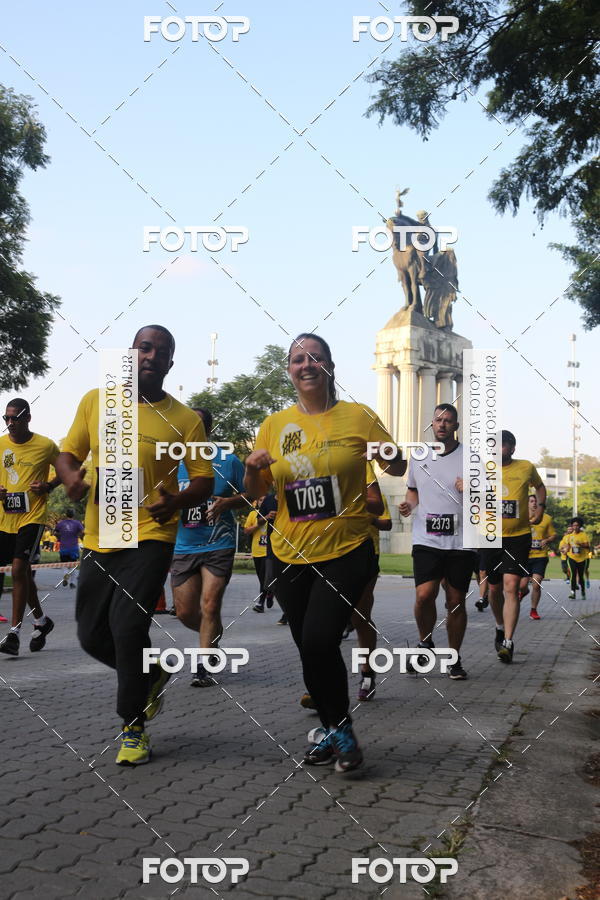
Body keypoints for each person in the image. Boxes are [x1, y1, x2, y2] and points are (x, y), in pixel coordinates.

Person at [244, 332, 406, 773]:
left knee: (319, 640)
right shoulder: (274, 425)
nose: (307, 364)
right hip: (289, 552)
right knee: (309, 649)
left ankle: (336, 729)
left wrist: (386, 451)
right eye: (298, 359)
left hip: (348, 548)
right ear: (289, 370)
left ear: (330, 366)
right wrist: (252, 469)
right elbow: (259, 493)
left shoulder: (358, 416)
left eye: (315, 357)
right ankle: (336, 729)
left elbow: (398, 465)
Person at [56, 325, 214, 766]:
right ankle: (152, 672)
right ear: (131, 353)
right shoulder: (96, 400)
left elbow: (203, 480)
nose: (151, 356)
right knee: (91, 635)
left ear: (170, 364)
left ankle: (133, 727)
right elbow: (68, 453)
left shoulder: (184, 420)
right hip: (101, 533)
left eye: (161, 352)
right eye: (144, 347)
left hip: (152, 533)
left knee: (127, 627)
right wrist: (69, 475)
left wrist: (178, 501)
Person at [399, 403, 476, 681]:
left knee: (455, 601)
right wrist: (408, 506)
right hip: (426, 537)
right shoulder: (419, 455)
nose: (442, 424)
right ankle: (426, 641)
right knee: (424, 595)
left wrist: (472, 489)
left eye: (448, 421)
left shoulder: (471, 457)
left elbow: (489, 497)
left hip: (461, 541)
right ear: (432, 424)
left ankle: (454, 659)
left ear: (456, 426)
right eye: (438, 420)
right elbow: (412, 491)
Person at [171, 407, 246, 687]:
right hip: (183, 545)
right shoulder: (169, 458)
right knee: (185, 612)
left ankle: (203, 665)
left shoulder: (228, 460)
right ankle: (211, 634)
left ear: (208, 430)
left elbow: (253, 494)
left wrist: (227, 502)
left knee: (210, 605)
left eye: (197, 425)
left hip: (219, 542)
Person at [0, 399, 60, 656]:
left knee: (17, 569)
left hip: (32, 517)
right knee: (20, 573)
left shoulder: (45, 445)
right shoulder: (1, 445)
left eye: (15, 418)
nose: (10, 423)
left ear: (28, 418)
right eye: (6, 418)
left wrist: (49, 486)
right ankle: (42, 621)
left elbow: (68, 470)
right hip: (5, 518)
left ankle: (14, 633)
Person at [479, 430, 546, 664]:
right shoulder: (482, 468)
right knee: (495, 590)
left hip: (518, 536)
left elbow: (540, 487)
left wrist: (540, 509)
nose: (496, 449)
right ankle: (499, 626)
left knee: (511, 586)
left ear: (512, 448)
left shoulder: (526, 467)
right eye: (493, 446)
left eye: (501, 445)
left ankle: (508, 641)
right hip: (490, 537)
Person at [352, 464, 392, 701]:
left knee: (360, 615)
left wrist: (366, 515)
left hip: (364, 550)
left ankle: (367, 673)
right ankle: (319, 684)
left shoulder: (366, 481)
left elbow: (385, 521)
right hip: (326, 550)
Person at [520, 495, 556, 620]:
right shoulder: (521, 518)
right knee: (522, 585)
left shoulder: (546, 518)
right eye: (531, 501)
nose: (534, 503)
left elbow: (553, 535)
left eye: (536, 501)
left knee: (536, 583)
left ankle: (533, 610)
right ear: (527, 503)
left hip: (540, 556)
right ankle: (523, 592)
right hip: (524, 556)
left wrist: (547, 540)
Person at [244, 498, 274, 613]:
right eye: (260, 500)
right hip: (257, 551)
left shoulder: (274, 514)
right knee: (262, 578)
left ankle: (261, 602)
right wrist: (261, 521)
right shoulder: (253, 514)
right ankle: (270, 593)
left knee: (265, 579)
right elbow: (246, 531)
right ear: (257, 502)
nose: (263, 502)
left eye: (265, 500)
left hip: (269, 552)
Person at [54, 509, 84, 588]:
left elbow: (55, 532)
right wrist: (77, 535)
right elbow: (82, 532)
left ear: (66, 514)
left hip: (63, 548)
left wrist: (60, 536)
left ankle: (65, 575)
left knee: (64, 564)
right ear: (73, 515)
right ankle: (72, 583)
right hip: (73, 548)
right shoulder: (77, 523)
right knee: (73, 565)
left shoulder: (61, 523)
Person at [566, 516, 590, 600]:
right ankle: (572, 593)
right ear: (572, 526)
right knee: (572, 575)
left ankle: (583, 592)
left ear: (580, 526)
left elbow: (587, 546)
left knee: (580, 576)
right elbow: (568, 545)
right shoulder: (570, 536)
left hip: (582, 559)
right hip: (571, 557)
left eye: (577, 525)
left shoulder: (583, 535)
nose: (575, 527)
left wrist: (581, 544)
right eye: (573, 525)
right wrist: (566, 550)